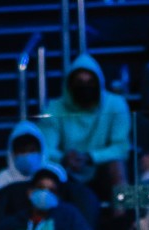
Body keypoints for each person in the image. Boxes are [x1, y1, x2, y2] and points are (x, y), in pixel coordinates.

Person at [38, 55, 132, 194]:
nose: (84, 87)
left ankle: (124, 213)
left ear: (99, 83)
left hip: (102, 169)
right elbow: (46, 149)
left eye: (90, 82)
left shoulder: (116, 104)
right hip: (66, 171)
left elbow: (121, 148)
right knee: (46, 171)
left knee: (117, 165)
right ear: (69, 85)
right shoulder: (54, 108)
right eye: (79, 82)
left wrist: (90, 157)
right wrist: (64, 158)